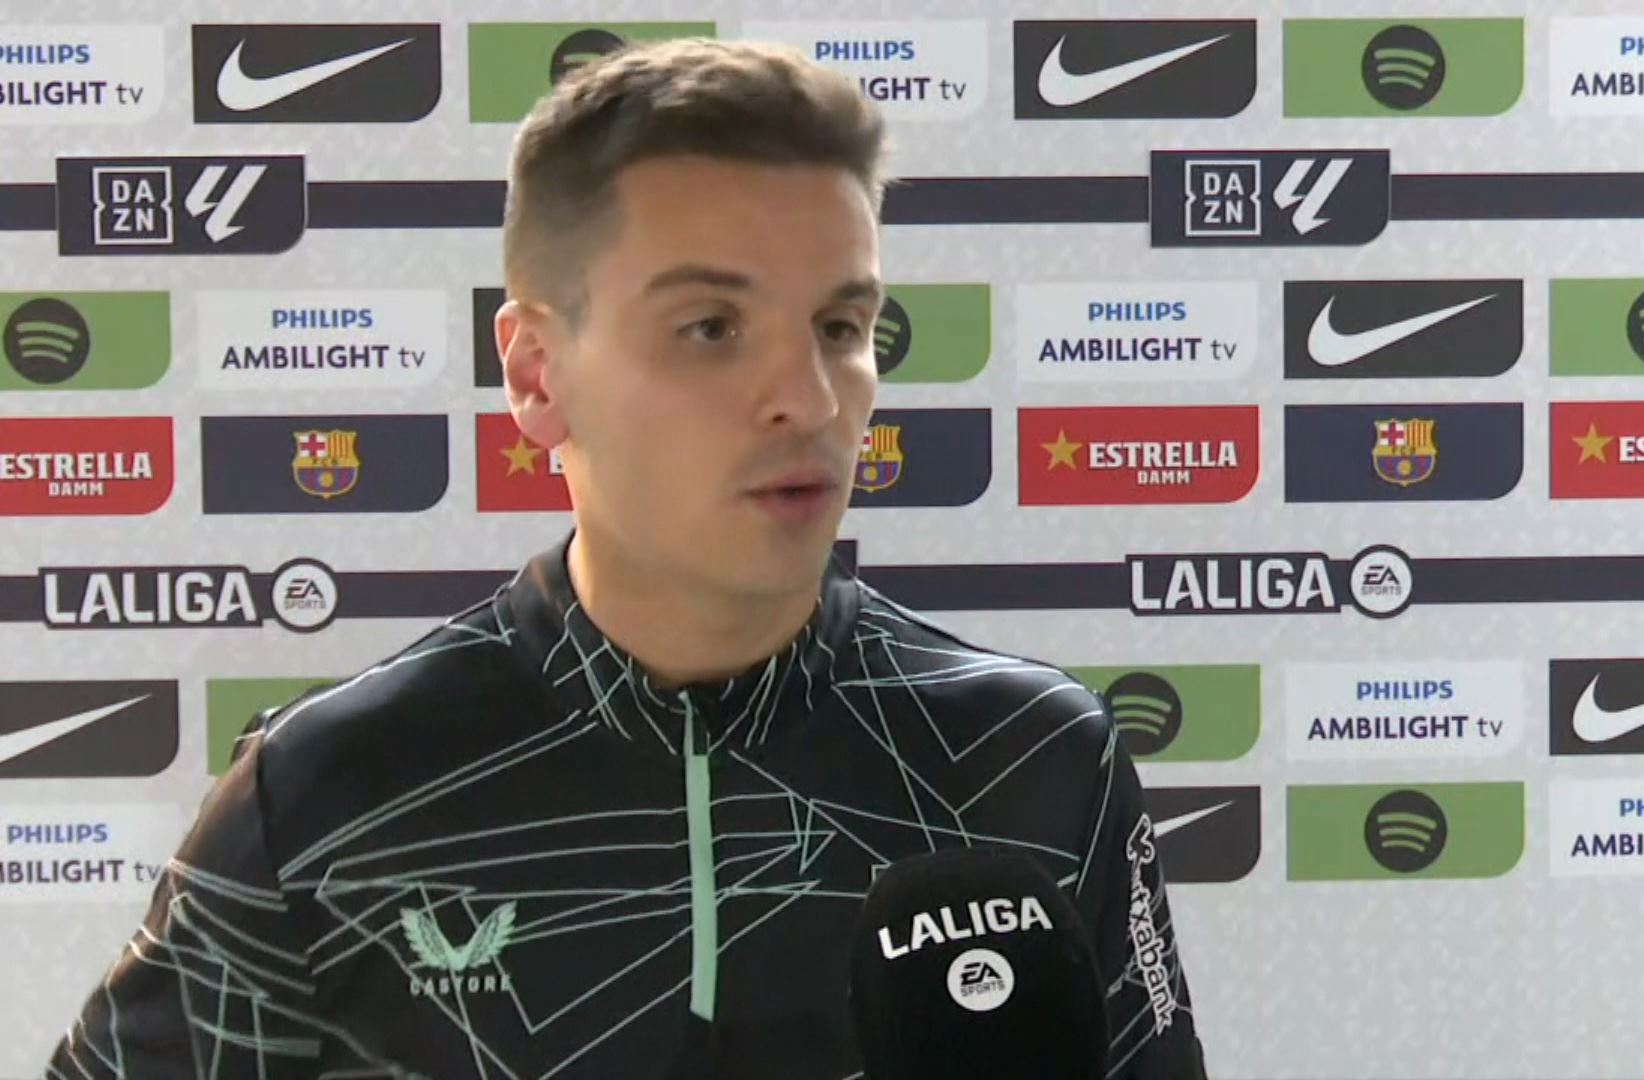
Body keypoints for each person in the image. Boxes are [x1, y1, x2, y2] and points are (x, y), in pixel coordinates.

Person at [45, 38, 1208, 1078]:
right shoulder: (324, 790)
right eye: (712, 328)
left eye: (841, 328)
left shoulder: (1040, 761)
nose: (809, 401)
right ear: (536, 373)